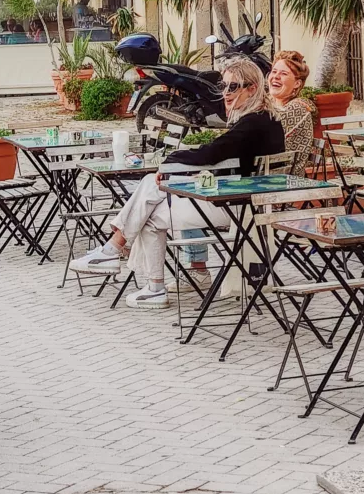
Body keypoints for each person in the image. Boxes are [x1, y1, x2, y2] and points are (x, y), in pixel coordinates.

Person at [70, 57, 285, 310]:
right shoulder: (265, 119)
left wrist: (170, 164)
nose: (225, 94)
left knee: (150, 206)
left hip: (239, 206)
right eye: (223, 87)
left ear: (252, 88)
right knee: (153, 197)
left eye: (233, 87)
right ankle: (124, 257)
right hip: (244, 200)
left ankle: (138, 272)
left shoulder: (253, 123)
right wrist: (178, 172)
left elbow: (213, 153)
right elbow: (226, 158)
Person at [268, 50, 314, 176]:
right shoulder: (269, 105)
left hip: (288, 183)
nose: (276, 76)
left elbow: (262, 130)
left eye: (283, 74)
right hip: (264, 176)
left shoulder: (298, 108)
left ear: (297, 83)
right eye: (274, 71)